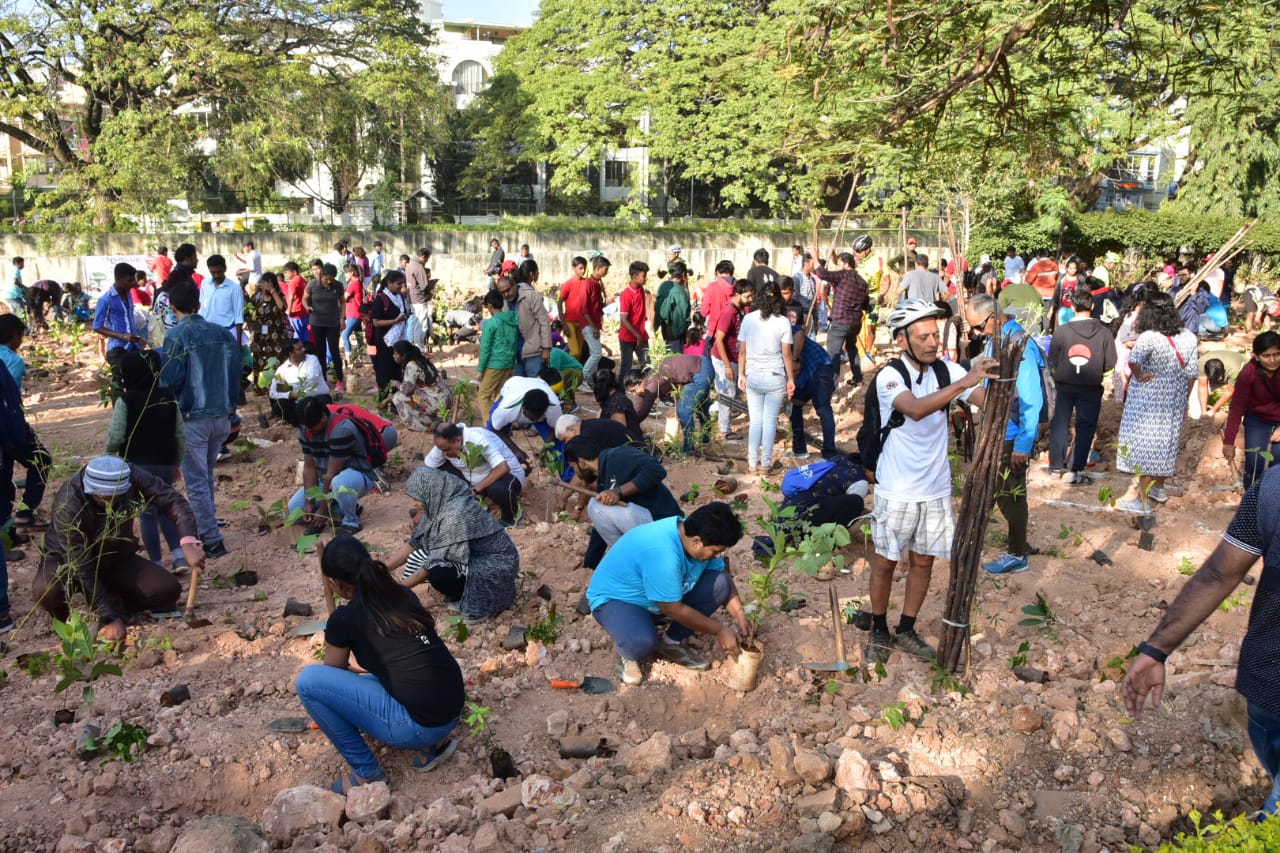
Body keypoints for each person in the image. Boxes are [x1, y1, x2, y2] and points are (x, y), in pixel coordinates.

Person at [1122, 466, 1280, 816]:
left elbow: (1218, 574)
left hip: (1270, 689)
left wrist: (1156, 649)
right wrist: (1155, 649)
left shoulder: (1273, 487)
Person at [864, 299, 995, 664]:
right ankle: (878, 627)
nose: (933, 342)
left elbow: (988, 401)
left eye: (935, 334)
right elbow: (917, 409)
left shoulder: (947, 371)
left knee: (923, 562)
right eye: (923, 336)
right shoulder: (890, 377)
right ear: (903, 340)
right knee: (886, 562)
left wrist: (1007, 383)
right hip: (897, 489)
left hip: (935, 489)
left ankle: (906, 628)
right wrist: (968, 380)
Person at [296, 535, 464, 794]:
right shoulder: (403, 594)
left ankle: (367, 773)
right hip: (452, 706)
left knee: (309, 683)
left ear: (336, 583)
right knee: (375, 678)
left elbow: (331, 671)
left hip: (422, 725)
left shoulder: (345, 618)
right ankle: (436, 744)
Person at [33, 456, 205, 641]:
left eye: (116, 498)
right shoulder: (68, 502)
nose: (110, 503)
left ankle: (117, 602)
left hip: (115, 556)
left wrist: (188, 540)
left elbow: (172, 500)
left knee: (166, 589)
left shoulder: (132, 475)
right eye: (105, 498)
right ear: (90, 491)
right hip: (67, 560)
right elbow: (78, 563)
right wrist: (109, 617)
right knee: (47, 590)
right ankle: (67, 618)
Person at [585, 502, 748, 686]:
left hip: (656, 598)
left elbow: (723, 577)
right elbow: (672, 608)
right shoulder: (663, 554)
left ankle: (671, 642)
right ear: (696, 542)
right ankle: (627, 653)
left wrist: (739, 613)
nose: (718, 556)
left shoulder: (694, 534)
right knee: (641, 641)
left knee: (721, 584)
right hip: (617, 600)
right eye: (716, 551)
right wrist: (719, 630)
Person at [963, 294, 1045, 576]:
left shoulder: (1018, 345)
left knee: (1010, 493)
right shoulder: (995, 339)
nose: (975, 331)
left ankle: (1017, 553)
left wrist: (1024, 443)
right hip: (998, 429)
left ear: (996, 317)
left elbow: (1032, 400)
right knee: (1004, 492)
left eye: (979, 325)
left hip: (1012, 434)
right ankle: (1018, 543)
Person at [160, 278, 241, 559]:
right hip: (220, 414)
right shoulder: (221, 334)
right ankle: (208, 524)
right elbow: (235, 373)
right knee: (204, 475)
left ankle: (211, 538)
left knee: (196, 479)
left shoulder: (175, 336)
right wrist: (231, 407)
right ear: (199, 304)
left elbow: (170, 379)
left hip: (192, 416)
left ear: (172, 307)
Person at [382, 467, 519, 619]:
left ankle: (479, 606)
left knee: (439, 572)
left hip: (496, 564)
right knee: (421, 557)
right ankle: (462, 594)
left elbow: (433, 564)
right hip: (475, 556)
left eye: (418, 497)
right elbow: (415, 542)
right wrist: (382, 568)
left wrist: (396, 589)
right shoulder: (439, 505)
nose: (417, 503)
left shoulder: (456, 513)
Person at [105, 350, 189, 573]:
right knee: (167, 509)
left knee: (147, 514)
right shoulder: (168, 396)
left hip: (137, 466)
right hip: (164, 463)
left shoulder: (126, 400)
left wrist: (108, 457)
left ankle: (157, 563)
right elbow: (180, 434)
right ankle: (179, 556)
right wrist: (176, 463)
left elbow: (116, 436)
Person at [1116, 292, 1198, 513]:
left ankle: (1141, 500)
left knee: (1145, 446)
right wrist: (1183, 398)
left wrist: (1141, 375)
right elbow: (1191, 373)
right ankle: (1158, 489)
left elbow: (1133, 361)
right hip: (1174, 398)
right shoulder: (1189, 336)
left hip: (1148, 398)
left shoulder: (1149, 336)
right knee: (1165, 443)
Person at [289, 400, 394, 536]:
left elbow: (332, 473)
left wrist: (322, 509)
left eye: (312, 427)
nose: (309, 431)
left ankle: (351, 521)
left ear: (323, 417)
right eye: (306, 427)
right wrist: (309, 501)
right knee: (293, 512)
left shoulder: (342, 429)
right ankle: (341, 508)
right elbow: (309, 466)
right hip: (324, 480)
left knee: (339, 483)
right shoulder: (305, 429)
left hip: (354, 477)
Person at [1047, 289, 1116, 483]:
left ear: (1073, 307)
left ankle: (1056, 466)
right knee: (1086, 426)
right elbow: (1111, 362)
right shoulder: (1104, 332)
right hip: (1091, 385)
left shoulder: (1062, 331)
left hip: (1064, 384)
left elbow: (1052, 358)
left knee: (1060, 422)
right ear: (1092, 306)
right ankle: (1076, 469)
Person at [565, 437, 680, 549]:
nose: (577, 476)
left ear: (582, 462)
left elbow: (657, 470)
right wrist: (589, 566)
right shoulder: (602, 479)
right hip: (650, 525)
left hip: (664, 524)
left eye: (573, 467)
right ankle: (627, 557)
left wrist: (618, 492)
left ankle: (629, 557)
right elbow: (602, 526)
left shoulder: (617, 455)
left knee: (594, 505)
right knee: (598, 508)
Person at [0, 316, 51, 536]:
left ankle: (8, 532)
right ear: (13, 335)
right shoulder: (12, 361)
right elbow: (8, 400)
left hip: (6, 426)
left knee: (4, 478)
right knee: (41, 460)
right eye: (20, 334)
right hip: (9, 426)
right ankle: (24, 515)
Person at [736, 284, 795, 473]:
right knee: (770, 422)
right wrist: (791, 379)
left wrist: (741, 374)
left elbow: (742, 350)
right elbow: (787, 354)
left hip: (753, 375)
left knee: (755, 422)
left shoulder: (748, 319)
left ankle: (752, 464)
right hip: (776, 376)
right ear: (778, 298)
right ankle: (765, 464)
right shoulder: (783, 321)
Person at [425, 422, 526, 526]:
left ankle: (512, 514)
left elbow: (503, 468)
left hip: (508, 477)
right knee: (439, 470)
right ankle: (477, 500)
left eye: (446, 450)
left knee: (497, 490)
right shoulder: (444, 445)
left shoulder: (478, 440)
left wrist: (476, 489)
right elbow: (430, 466)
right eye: (441, 450)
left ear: (457, 441)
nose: (443, 453)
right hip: (476, 481)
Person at [780, 279, 837, 461]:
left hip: (819, 368)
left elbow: (799, 333)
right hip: (804, 377)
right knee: (794, 404)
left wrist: (795, 360)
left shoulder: (783, 328)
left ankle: (829, 453)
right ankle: (799, 449)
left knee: (823, 409)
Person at [1223, 332, 1280, 490]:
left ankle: (1273, 505)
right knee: (1254, 463)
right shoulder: (1249, 373)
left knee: (1278, 464)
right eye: (1266, 356)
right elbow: (1236, 408)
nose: (1273, 360)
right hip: (1257, 419)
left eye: (1277, 354)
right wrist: (1229, 441)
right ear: (1256, 356)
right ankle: (1251, 503)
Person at [812, 243, 870, 388]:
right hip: (855, 323)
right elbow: (866, 304)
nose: (837, 267)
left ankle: (832, 387)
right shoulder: (862, 282)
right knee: (851, 348)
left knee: (833, 354)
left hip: (841, 321)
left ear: (845, 264)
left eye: (838, 264)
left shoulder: (843, 275)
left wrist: (815, 257)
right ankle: (857, 377)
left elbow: (823, 274)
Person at [711, 279, 755, 440]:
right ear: (737, 294)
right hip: (724, 358)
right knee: (727, 393)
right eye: (748, 296)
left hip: (735, 357)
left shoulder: (741, 310)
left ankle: (724, 415)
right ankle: (725, 429)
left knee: (735, 391)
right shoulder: (729, 312)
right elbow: (719, 340)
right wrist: (728, 366)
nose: (750, 300)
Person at [494, 271, 551, 379]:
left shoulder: (530, 296)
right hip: (514, 355)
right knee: (519, 388)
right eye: (502, 292)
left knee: (534, 387)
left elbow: (544, 322)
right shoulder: (502, 302)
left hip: (533, 351)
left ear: (514, 285)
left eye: (508, 290)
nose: (506, 294)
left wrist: (546, 349)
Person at [93, 262, 143, 383]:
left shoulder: (128, 294)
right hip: (117, 349)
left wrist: (138, 338)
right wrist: (122, 336)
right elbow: (97, 326)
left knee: (138, 381)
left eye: (133, 280)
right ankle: (118, 402)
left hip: (133, 346)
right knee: (118, 384)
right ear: (119, 279)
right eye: (129, 281)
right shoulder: (106, 299)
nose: (132, 284)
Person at [487, 374, 564, 448]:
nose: (535, 421)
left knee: (558, 441)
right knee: (493, 438)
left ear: (546, 409)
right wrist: (515, 450)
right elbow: (495, 428)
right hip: (513, 384)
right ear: (523, 407)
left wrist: (545, 448)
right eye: (532, 418)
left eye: (538, 417)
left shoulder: (554, 407)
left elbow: (556, 429)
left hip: (539, 384)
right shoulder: (507, 408)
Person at [364, 269, 409, 393]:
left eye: (402, 283)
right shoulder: (381, 299)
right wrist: (395, 321)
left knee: (397, 369)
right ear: (389, 283)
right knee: (385, 370)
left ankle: (396, 396)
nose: (401, 287)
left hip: (399, 340)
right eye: (398, 284)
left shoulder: (400, 297)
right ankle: (385, 396)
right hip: (385, 341)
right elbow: (376, 322)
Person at [305, 262, 347, 393]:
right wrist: (307, 307)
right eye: (326, 279)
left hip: (333, 323)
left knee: (335, 351)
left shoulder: (338, 286)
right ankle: (323, 380)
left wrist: (342, 318)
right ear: (321, 275)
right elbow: (304, 299)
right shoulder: (312, 285)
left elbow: (343, 302)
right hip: (317, 323)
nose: (329, 281)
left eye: (331, 279)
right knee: (320, 352)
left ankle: (340, 380)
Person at [269, 340, 332, 425]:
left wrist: (292, 389)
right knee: (279, 405)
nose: (304, 349)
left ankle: (302, 421)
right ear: (291, 353)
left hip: (316, 397)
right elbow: (273, 392)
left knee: (321, 403)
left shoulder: (312, 360)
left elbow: (311, 382)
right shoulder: (282, 370)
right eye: (300, 349)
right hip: (297, 403)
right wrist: (289, 394)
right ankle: (305, 421)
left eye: (303, 347)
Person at [477, 289, 519, 416]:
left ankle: (490, 428)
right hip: (509, 364)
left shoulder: (491, 323)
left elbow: (485, 349)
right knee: (499, 395)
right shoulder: (512, 320)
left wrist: (480, 369)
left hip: (495, 364)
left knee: (483, 395)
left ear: (489, 306)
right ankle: (502, 426)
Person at [390, 340, 448, 432]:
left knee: (398, 397)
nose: (393, 356)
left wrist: (395, 383)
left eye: (396, 354)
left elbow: (406, 390)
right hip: (445, 400)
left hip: (436, 403)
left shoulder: (411, 365)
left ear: (404, 355)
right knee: (414, 394)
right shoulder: (421, 360)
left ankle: (419, 427)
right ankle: (431, 420)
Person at [248, 272, 290, 389]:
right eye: (262, 283)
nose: (263, 286)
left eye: (266, 283)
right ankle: (261, 387)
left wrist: (272, 291)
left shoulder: (279, 295)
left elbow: (283, 308)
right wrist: (252, 327)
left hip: (277, 335)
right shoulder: (257, 297)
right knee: (260, 360)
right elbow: (248, 313)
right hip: (260, 336)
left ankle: (280, 386)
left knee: (277, 360)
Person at [199, 254, 245, 342]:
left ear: (225, 269)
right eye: (213, 272)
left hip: (226, 332)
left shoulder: (235, 288)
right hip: (207, 331)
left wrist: (238, 341)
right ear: (209, 270)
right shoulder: (204, 284)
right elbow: (201, 309)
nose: (216, 275)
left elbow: (238, 316)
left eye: (219, 272)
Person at [593, 368, 645, 445]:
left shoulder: (617, 402)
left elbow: (620, 434)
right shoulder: (610, 398)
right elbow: (598, 421)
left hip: (629, 448)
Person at [1193, 347, 1247, 421]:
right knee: (1196, 411)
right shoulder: (1201, 363)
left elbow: (1229, 391)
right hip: (1219, 372)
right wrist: (1203, 412)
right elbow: (1202, 387)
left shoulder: (1235, 370)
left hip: (1243, 372)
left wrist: (1213, 410)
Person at [654, 261, 692, 354]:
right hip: (676, 329)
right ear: (683, 274)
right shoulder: (680, 291)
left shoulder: (663, 286)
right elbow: (685, 314)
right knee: (676, 358)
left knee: (669, 355)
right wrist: (687, 334)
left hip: (664, 327)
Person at [555, 414, 634, 450]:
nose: (566, 443)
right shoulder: (589, 425)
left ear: (571, 430)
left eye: (565, 439)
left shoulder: (587, 436)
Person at [406, 248, 433, 350]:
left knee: (414, 324)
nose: (427, 260)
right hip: (419, 299)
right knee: (420, 325)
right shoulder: (418, 267)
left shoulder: (409, 265)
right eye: (427, 258)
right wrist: (431, 290)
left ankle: (413, 347)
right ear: (423, 256)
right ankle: (419, 349)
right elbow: (424, 285)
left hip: (412, 298)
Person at [281, 261, 311, 343]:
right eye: (285, 273)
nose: (285, 275)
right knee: (305, 335)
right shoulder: (303, 280)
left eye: (287, 273)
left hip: (296, 313)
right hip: (304, 312)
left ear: (294, 272)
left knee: (296, 336)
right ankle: (307, 353)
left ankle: (297, 354)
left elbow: (292, 296)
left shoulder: (293, 282)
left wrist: (289, 311)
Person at [342, 263, 365, 356]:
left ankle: (349, 357)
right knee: (358, 335)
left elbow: (344, 298)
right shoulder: (358, 282)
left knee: (345, 335)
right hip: (357, 313)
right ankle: (360, 355)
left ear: (351, 273)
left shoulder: (353, 284)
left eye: (346, 273)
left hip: (353, 314)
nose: (345, 275)